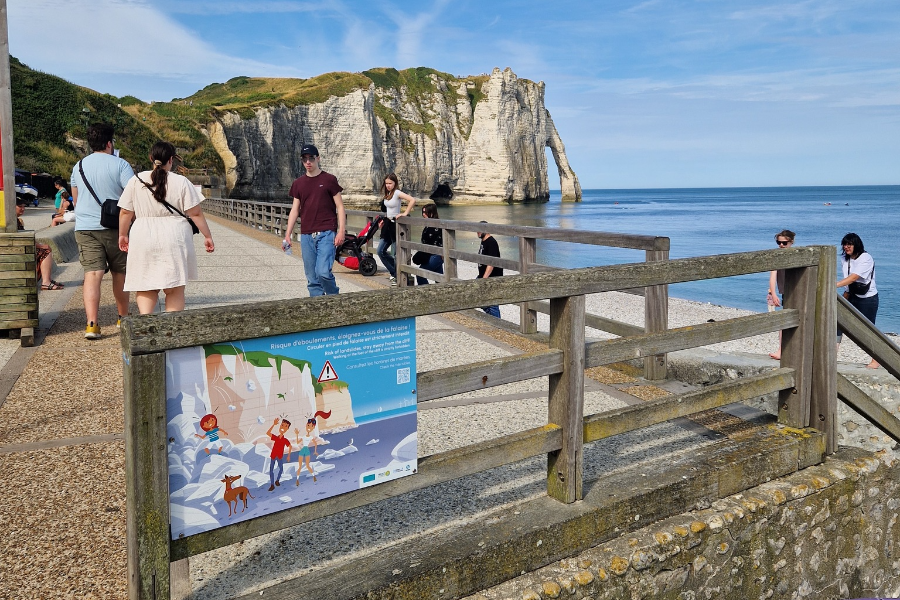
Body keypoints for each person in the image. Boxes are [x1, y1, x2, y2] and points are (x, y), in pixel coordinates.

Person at [117, 141, 215, 315]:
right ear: (171, 160)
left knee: (146, 286)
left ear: (150, 158)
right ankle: (172, 331)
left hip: (142, 234)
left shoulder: (136, 180)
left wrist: (123, 234)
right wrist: (207, 236)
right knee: (174, 288)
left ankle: (146, 326)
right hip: (175, 235)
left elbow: (125, 212)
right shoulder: (181, 181)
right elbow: (196, 213)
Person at [70, 122, 135, 339]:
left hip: (86, 228)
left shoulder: (78, 167)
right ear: (109, 143)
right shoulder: (121, 165)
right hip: (115, 228)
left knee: (93, 274)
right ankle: (122, 318)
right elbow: (131, 197)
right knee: (120, 274)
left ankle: (92, 324)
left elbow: (76, 201)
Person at [283, 144, 346, 296]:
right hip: (306, 235)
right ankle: (318, 311)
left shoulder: (329, 179)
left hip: (326, 233)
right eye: (304, 159)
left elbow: (340, 206)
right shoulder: (298, 183)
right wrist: (287, 234)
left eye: (311, 158)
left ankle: (334, 299)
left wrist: (341, 231)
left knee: (323, 272)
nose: (308, 162)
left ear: (318, 158)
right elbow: (295, 210)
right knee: (312, 279)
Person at [836, 232, 879, 369]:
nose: (846, 247)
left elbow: (854, 277)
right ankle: (832, 354)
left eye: (849, 244)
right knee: (838, 322)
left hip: (868, 298)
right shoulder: (845, 259)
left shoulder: (866, 258)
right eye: (844, 244)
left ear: (856, 244)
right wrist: (846, 294)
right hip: (852, 295)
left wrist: (833, 285)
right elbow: (847, 277)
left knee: (869, 329)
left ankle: (876, 359)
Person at [377, 173, 416, 286]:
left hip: (395, 225)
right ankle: (394, 272)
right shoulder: (387, 193)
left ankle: (397, 276)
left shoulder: (397, 193)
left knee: (395, 253)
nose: (388, 185)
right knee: (380, 251)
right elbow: (388, 210)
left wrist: (405, 213)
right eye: (386, 183)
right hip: (387, 224)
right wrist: (383, 220)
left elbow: (412, 200)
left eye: (390, 183)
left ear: (395, 183)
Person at [16, 199, 64, 290]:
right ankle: (46, 282)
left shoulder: (16, 220)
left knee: (45, 248)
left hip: (20, 248)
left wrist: (39, 245)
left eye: (23, 206)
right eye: (20, 206)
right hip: (17, 250)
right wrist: (40, 246)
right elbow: (22, 240)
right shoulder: (13, 222)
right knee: (45, 251)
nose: (23, 209)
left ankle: (48, 279)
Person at [767, 230, 794, 360]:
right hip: (785, 293)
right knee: (783, 322)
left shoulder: (797, 255)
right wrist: (773, 293)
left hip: (796, 292)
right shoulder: (777, 256)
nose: (781, 245)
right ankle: (780, 350)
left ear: (791, 242)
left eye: (784, 243)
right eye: (779, 242)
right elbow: (772, 277)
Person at [476, 221, 503, 318]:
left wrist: (484, 279)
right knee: (475, 297)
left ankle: (497, 324)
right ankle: (493, 320)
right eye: (477, 230)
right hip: (482, 276)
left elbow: (491, 263)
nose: (478, 232)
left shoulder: (491, 242)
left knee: (492, 304)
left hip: (492, 278)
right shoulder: (483, 241)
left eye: (480, 230)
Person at [413, 203, 444, 285]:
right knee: (440, 279)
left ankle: (426, 293)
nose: (424, 215)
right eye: (423, 212)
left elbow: (442, 241)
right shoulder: (428, 225)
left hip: (436, 255)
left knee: (420, 274)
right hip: (429, 255)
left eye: (425, 212)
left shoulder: (438, 225)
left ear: (432, 213)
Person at [265, 418, 292, 491]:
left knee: (281, 469)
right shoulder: (276, 438)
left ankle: (277, 480)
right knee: (271, 470)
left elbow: (290, 446)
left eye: (286, 426)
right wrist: (274, 424)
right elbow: (267, 433)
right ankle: (272, 485)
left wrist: (289, 455)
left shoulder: (285, 440)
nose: (283, 428)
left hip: (279, 456)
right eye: (282, 425)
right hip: (273, 455)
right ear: (280, 426)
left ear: (287, 429)